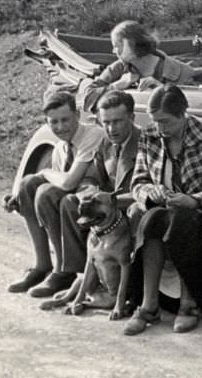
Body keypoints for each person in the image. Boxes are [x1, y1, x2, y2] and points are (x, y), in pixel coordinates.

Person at [123, 84, 202, 335]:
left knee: (183, 221)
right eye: (155, 121)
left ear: (183, 114)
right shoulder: (150, 136)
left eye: (166, 122)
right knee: (151, 220)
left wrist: (194, 201)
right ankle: (148, 306)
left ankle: (189, 304)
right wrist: (151, 192)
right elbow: (138, 182)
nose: (160, 129)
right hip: (167, 213)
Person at [3, 91, 104, 297]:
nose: (60, 127)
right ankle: (42, 265)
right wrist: (21, 197)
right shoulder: (60, 148)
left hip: (96, 201)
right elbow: (63, 185)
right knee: (28, 184)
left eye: (65, 119)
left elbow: (69, 182)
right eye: (53, 122)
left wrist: (43, 172)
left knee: (45, 191)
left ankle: (63, 270)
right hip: (71, 201)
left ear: (77, 114)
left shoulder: (92, 134)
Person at [54, 90, 142, 305]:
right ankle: (82, 274)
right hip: (107, 209)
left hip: (132, 206)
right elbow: (93, 176)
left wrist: (111, 202)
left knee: (136, 213)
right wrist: (88, 191)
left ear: (132, 118)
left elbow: (149, 187)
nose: (111, 129)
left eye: (117, 122)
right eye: (106, 123)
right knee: (70, 202)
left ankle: (135, 288)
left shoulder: (145, 143)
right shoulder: (106, 144)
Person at [82, 20, 196, 112]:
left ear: (130, 44)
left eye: (117, 45)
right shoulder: (118, 68)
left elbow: (193, 107)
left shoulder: (182, 72)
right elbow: (87, 96)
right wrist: (115, 86)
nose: (113, 51)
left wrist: (163, 90)